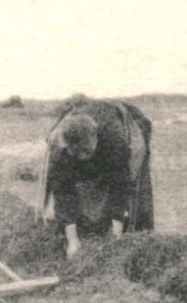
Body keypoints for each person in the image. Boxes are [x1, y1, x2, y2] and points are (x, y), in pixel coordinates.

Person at [41, 96, 156, 257]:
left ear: (95, 137)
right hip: (83, 134)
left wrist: (116, 238)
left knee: (135, 204)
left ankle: (137, 238)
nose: (82, 157)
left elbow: (121, 188)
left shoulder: (115, 141)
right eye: (76, 153)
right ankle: (81, 234)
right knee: (69, 219)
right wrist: (73, 241)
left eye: (86, 151)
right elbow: (63, 193)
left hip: (125, 128)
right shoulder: (61, 152)